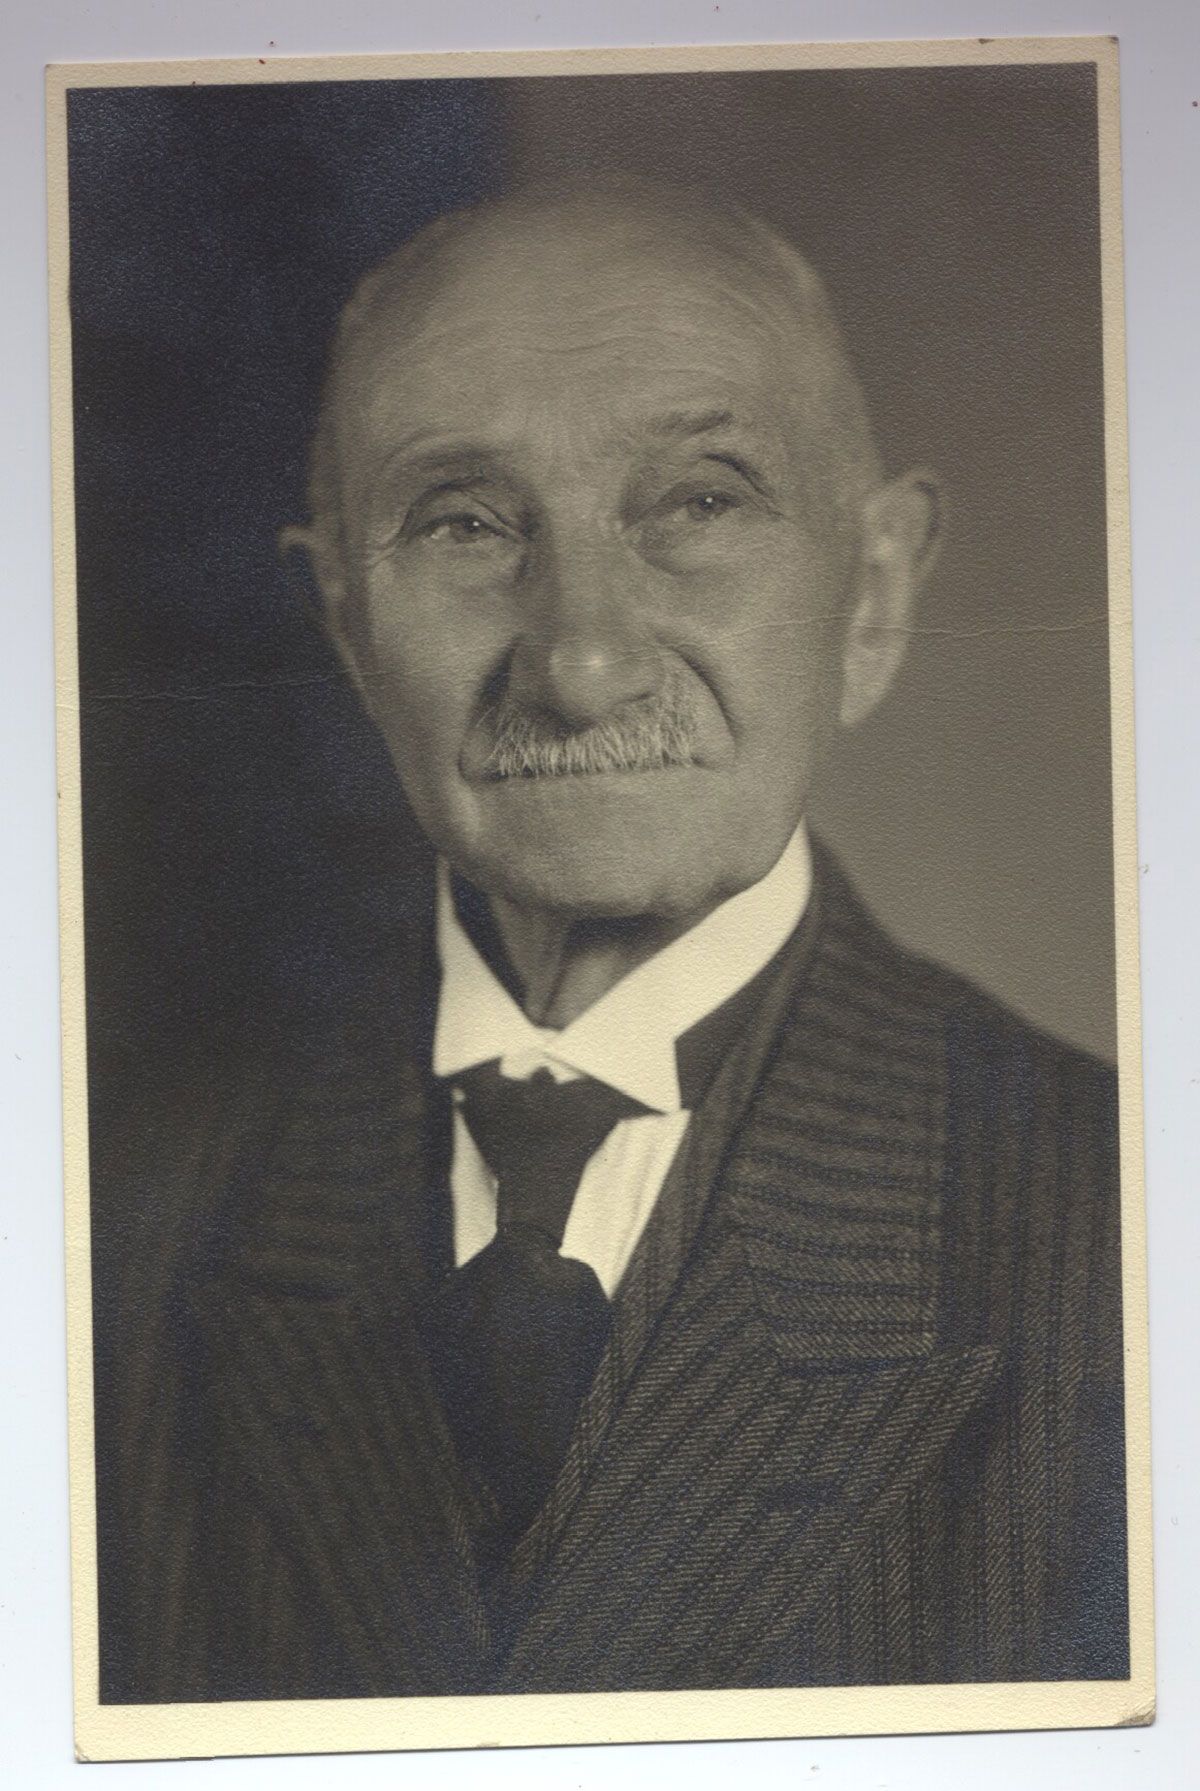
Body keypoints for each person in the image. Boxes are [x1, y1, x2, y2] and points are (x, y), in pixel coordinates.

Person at [93, 180, 1127, 1702]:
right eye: (462, 522)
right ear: (344, 626)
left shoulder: (1130, 1232)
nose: (578, 664)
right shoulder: (110, 1237)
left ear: (875, 595)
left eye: (698, 502)